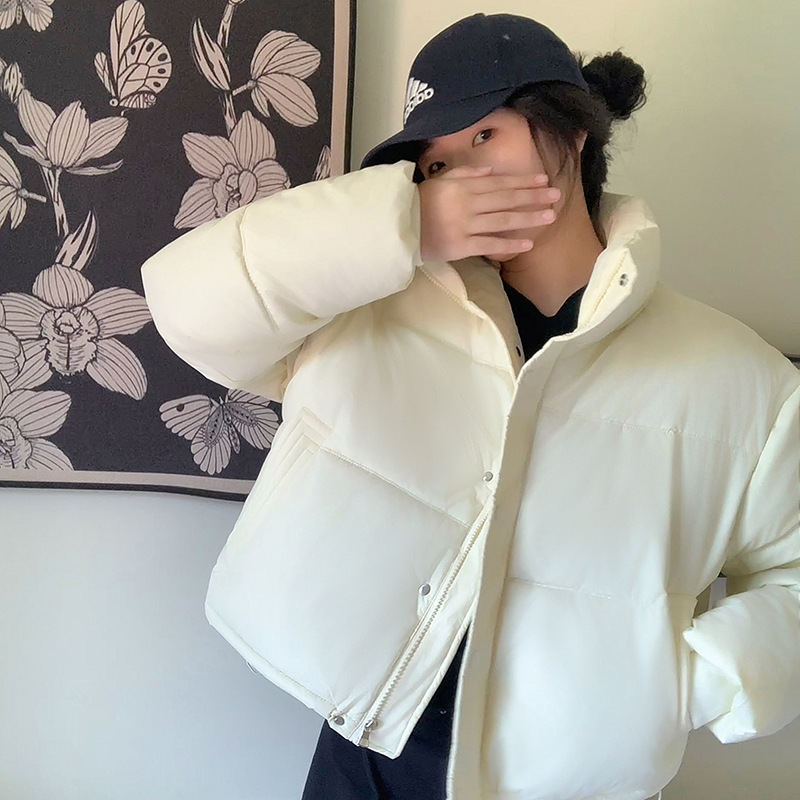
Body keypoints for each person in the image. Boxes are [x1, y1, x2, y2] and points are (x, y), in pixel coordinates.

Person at [141, 13, 800, 800]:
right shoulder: (364, 309)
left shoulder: (736, 377)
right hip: (365, 754)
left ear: (575, 132)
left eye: (485, 135)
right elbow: (187, 304)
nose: (461, 176)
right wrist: (404, 225)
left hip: (567, 784)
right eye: (436, 163)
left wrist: (694, 681)